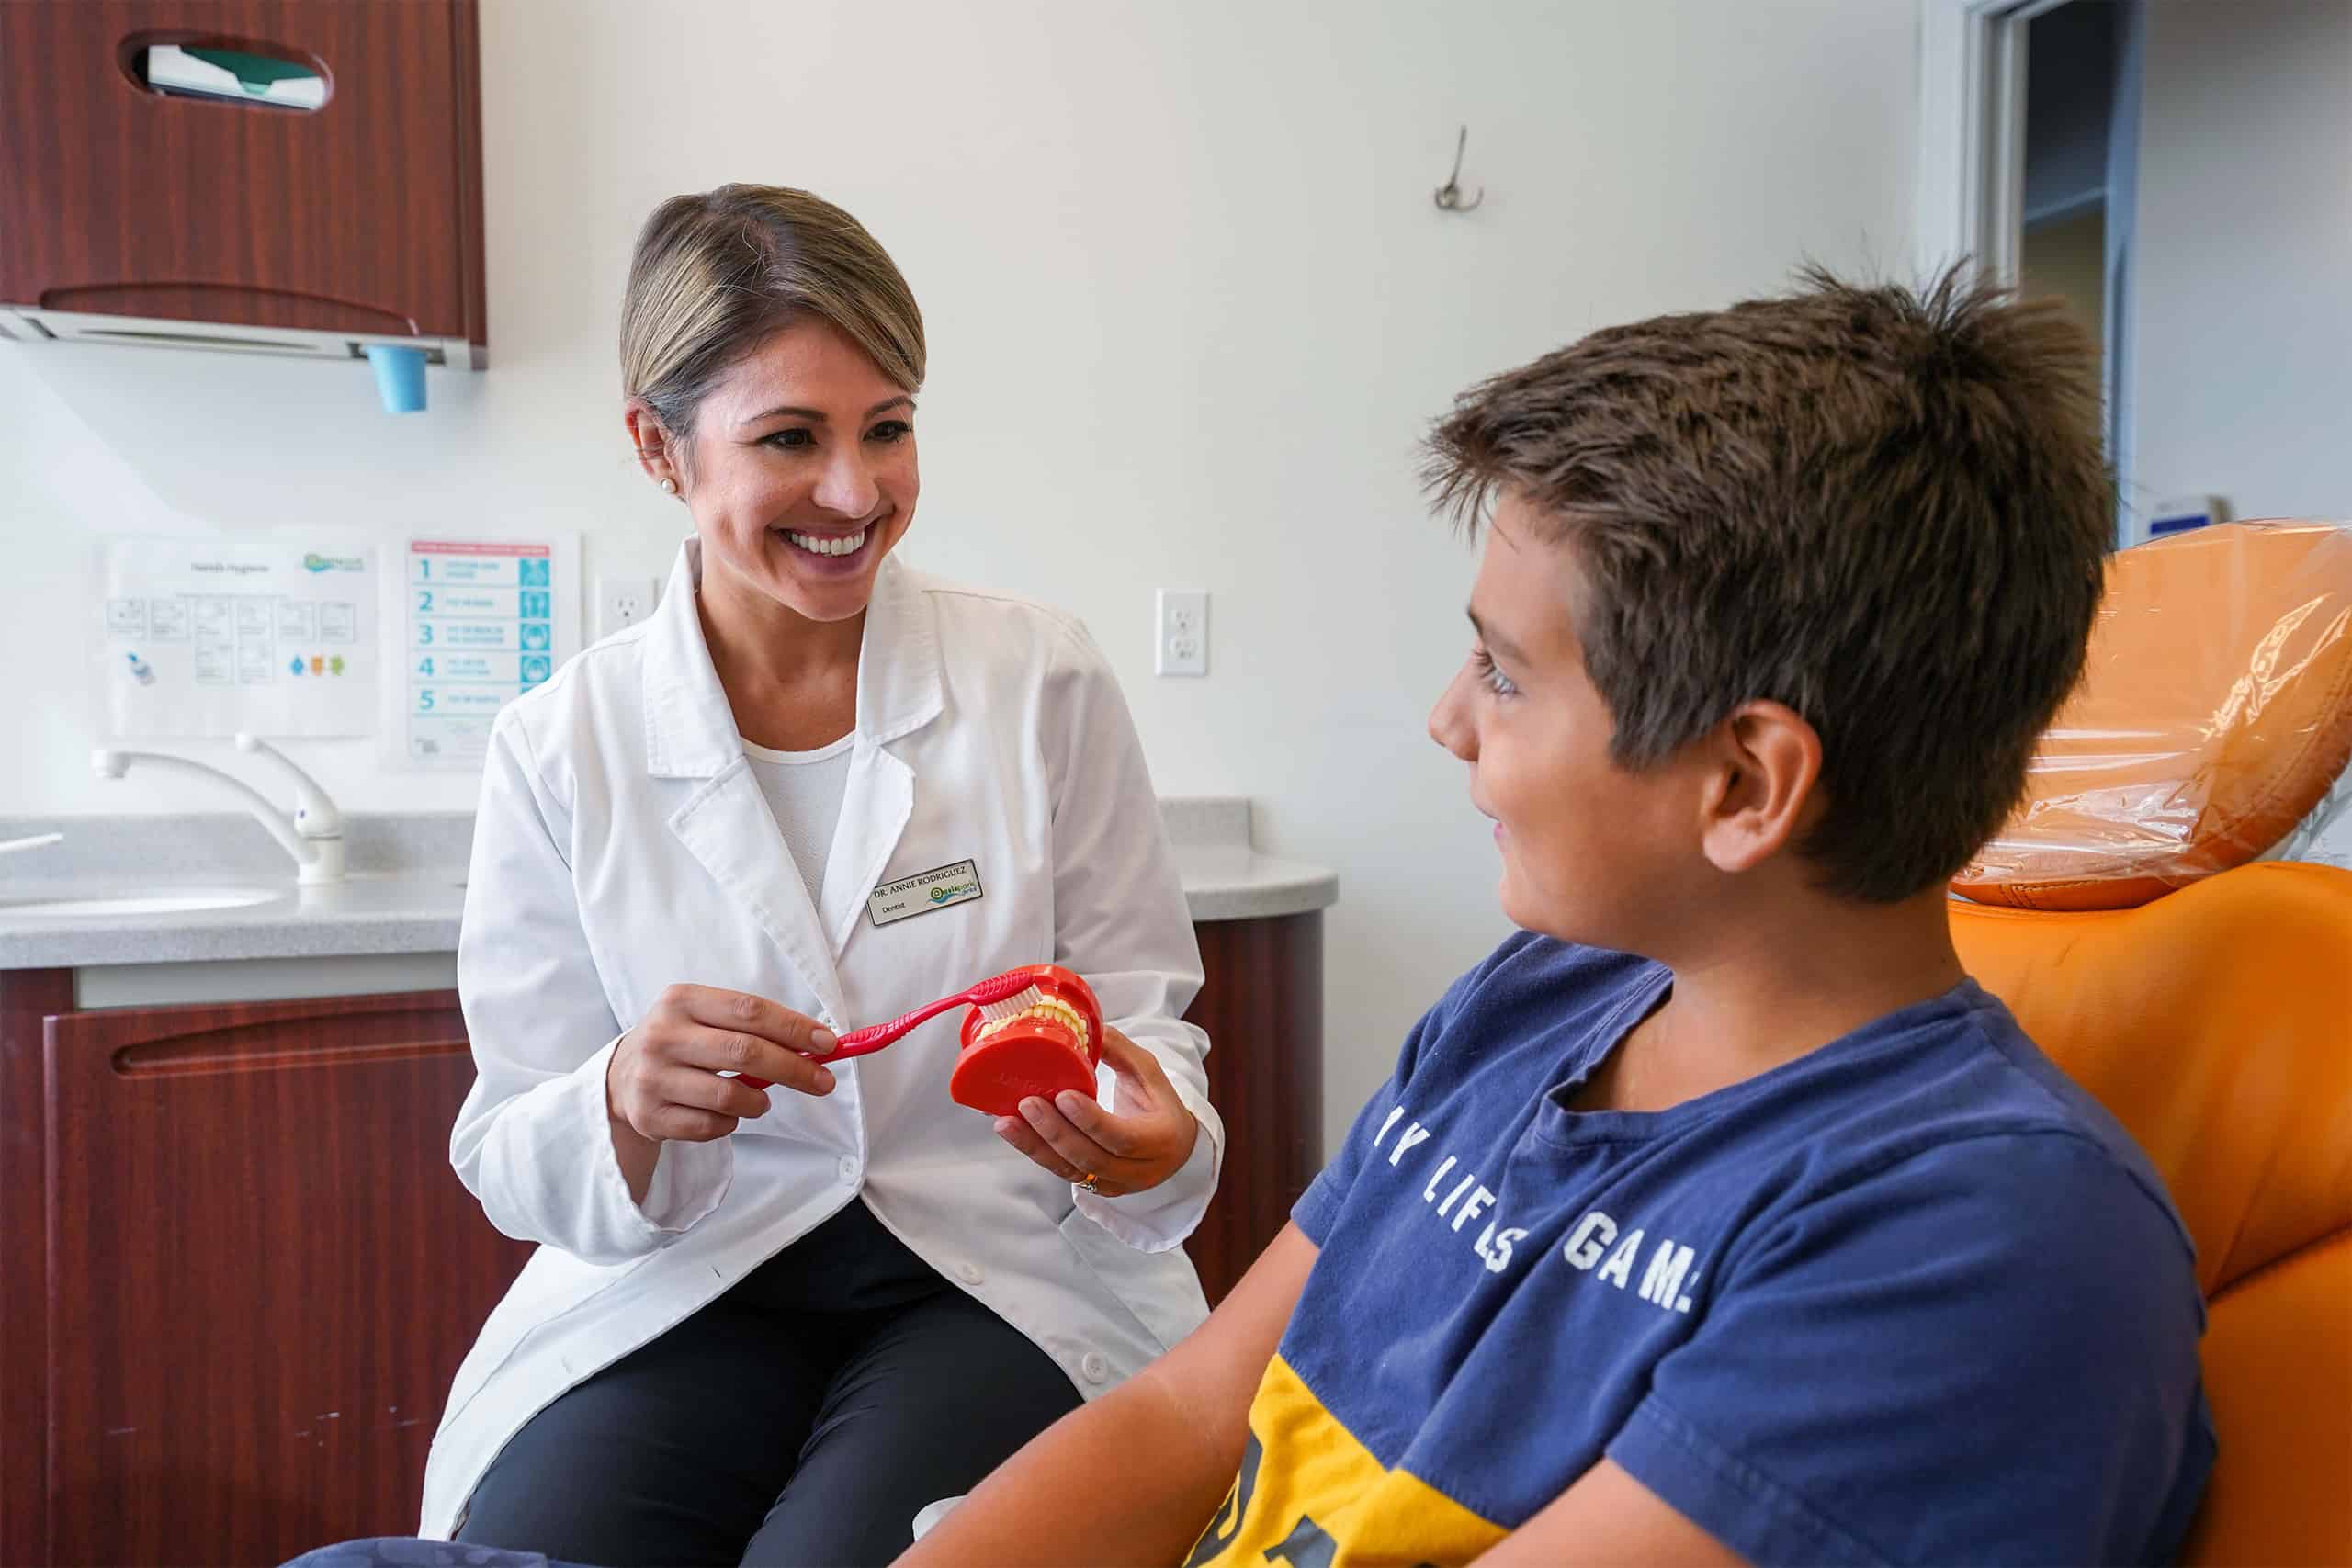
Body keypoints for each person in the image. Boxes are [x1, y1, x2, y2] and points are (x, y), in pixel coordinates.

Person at [898, 270, 2215, 1567]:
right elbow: (1192, 1415)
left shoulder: (1975, 1242)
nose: (1449, 719)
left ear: (1745, 785)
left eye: (1506, 673)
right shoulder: (1545, 994)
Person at [419, 185, 1224, 1567]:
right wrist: (622, 1099)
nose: (856, 494)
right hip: (687, 1279)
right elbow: (510, 1143)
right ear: (658, 447)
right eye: (790, 438)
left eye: (888, 429)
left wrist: (1156, 1142)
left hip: (987, 1274)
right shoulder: (563, 745)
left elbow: (1143, 1020)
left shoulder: (1037, 680)